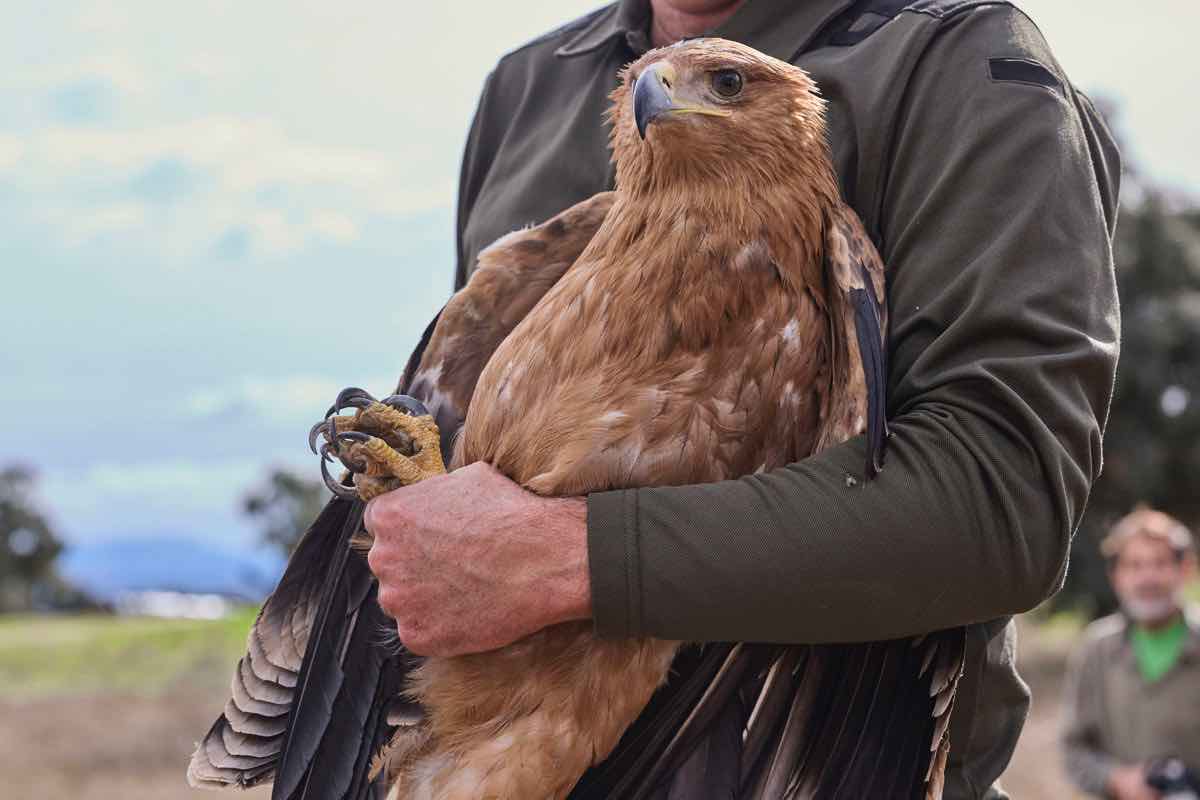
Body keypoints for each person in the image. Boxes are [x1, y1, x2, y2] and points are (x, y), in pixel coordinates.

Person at [362, 1, 1121, 797]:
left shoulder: (956, 58)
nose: (661, 96)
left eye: (720, 84)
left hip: (790, 765)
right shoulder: (529, 82)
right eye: (640, 91)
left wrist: (571, 558)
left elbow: (1003, 500)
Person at [1061, 508, 1200, 800]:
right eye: (1134, 565)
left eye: (1160, 563)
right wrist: (1115, 779)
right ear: (1116, 576)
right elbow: (1074, 750)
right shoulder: (1095, 650)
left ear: (1185, 569)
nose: (1147, 577)